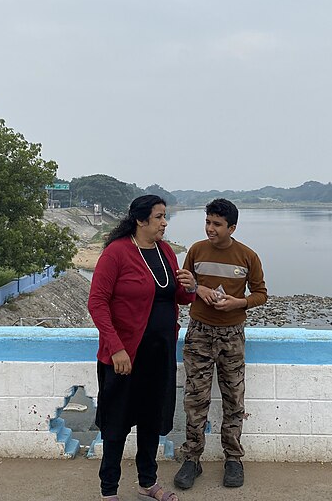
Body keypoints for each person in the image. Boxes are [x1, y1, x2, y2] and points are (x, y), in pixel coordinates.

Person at [88, 194, 197, 501]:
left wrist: (189, 287)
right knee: (116, 426)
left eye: (166, 217)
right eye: (160, 216)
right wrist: (116, 348)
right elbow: (97, 302)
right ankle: (108, 491)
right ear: (140, 219)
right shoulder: (116, 253)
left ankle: (147, 483)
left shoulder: (165, 251)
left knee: (151, 421)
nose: (165, 222)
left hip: (159, 355)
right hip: (125, 357)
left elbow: (176, 298)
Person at [173, 198, 267, 490]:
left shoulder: (248, 256)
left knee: (233, 400)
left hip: (232, 335)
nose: (210, 229)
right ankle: (192, 460)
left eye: (217, 224)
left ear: (232, 227)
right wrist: (198, 289)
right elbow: (183, 286)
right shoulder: (196, 251)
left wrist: (238, 302)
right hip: (199, 333)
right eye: (207, 222)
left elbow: (261, 294)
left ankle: (233, 460)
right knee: (195, 399)